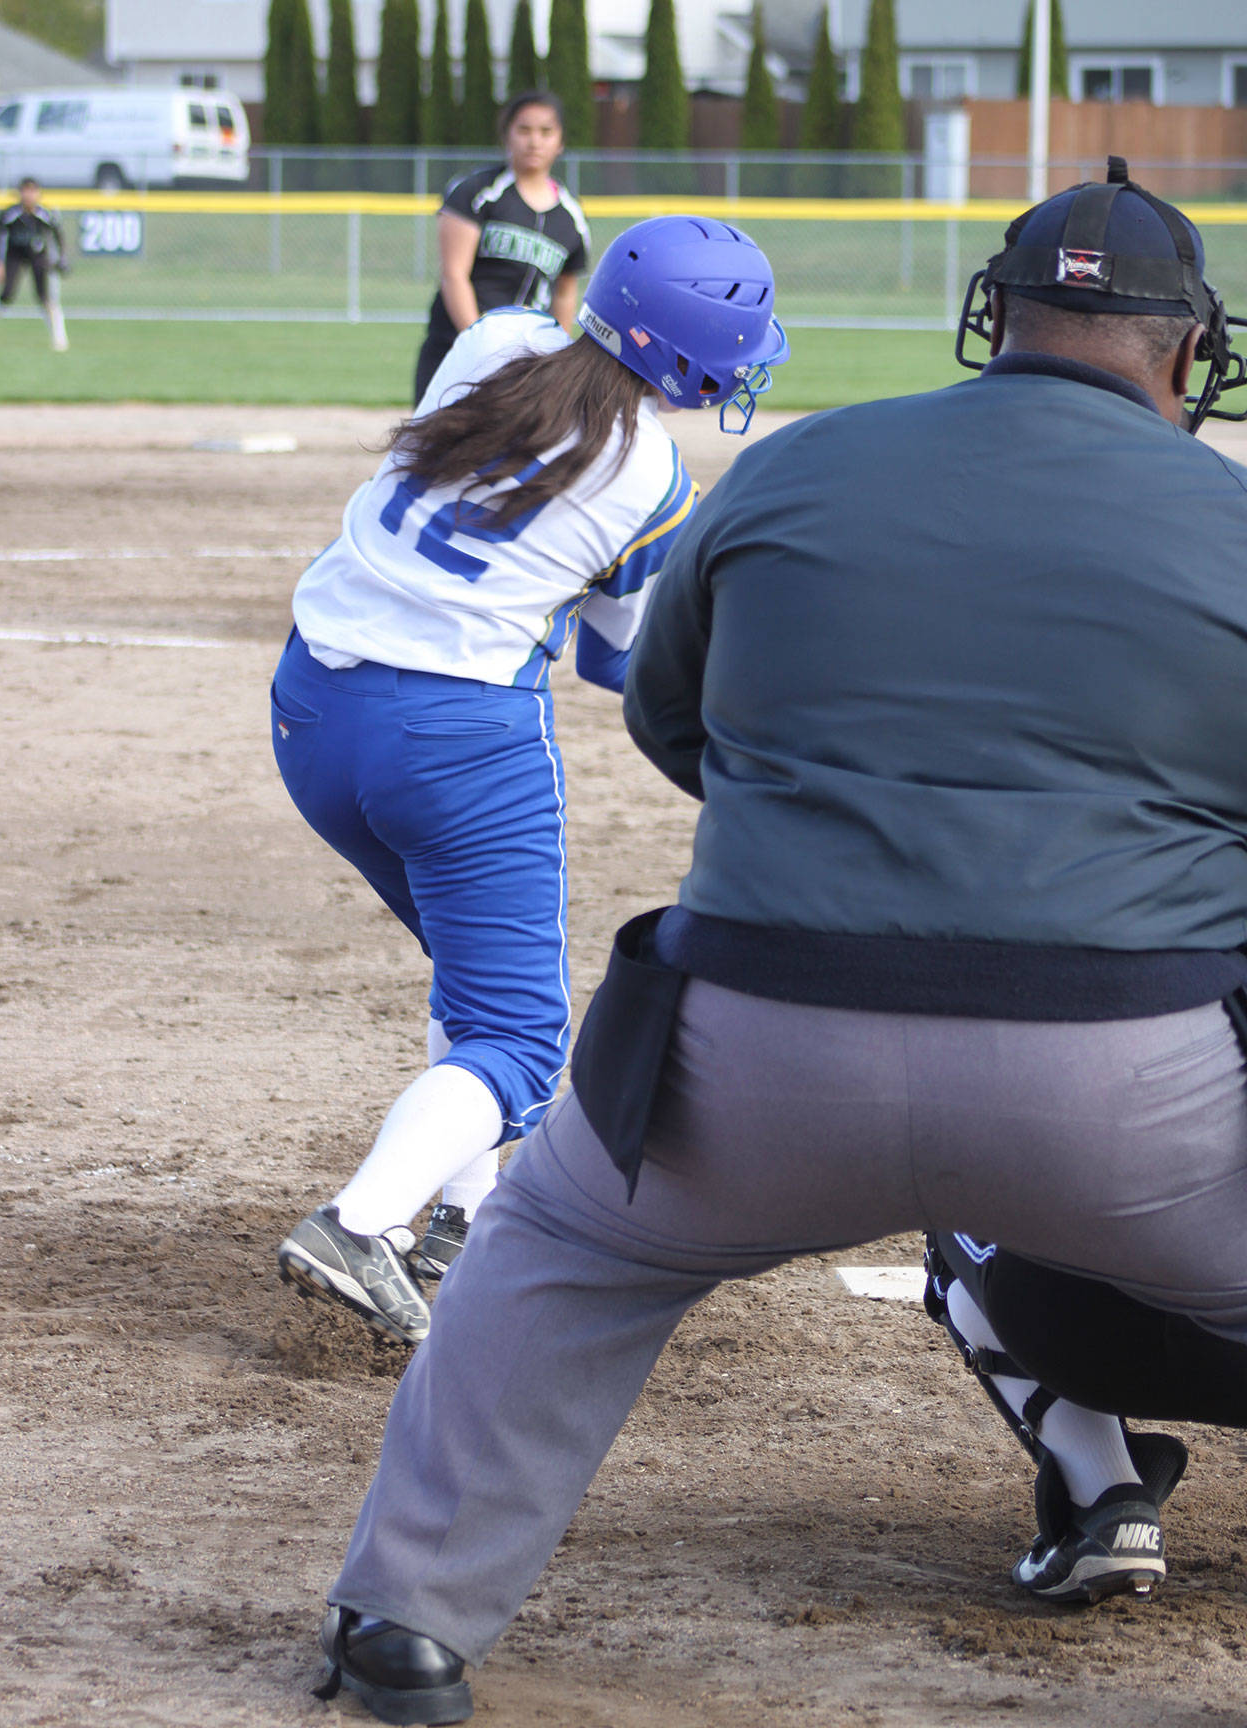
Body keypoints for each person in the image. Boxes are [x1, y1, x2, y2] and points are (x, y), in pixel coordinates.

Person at [306, 158, 1247, 1728]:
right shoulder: (1228, 511)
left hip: (758, 1054)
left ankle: (403, 1621)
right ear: (1183, 353)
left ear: (990, 320)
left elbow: (677, 722)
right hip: (1121, 1101)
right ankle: (1100, 1471)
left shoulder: (802, 467)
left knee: (551, 1250)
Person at [272, 214, 788, 1353]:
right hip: (455, 737)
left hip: (311, 708)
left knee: (472, 983)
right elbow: (615, 659)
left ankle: (466, 1216)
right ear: (694, 356)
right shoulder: (652, 474)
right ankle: (361, 1225)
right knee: (519, 1037)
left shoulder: (495, 338)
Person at [412, 91, 589, 405]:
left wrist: (557, 356)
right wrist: (479, 343)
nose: (534, 141)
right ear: (506, 136)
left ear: (560, 142)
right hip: (457, 347)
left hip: (524, 362)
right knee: (438, 449)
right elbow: (454, 274)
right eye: (523, 130)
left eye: (546, 131)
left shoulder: (571, 218)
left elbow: (564, 293)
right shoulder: (477, 192)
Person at [0, 176, 68, 352]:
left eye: (33, 191)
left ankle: (59, 336)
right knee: (7, 293)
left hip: (38, 256)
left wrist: (61, 258)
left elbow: (58, 235)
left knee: (45, 296)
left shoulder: (44, 214)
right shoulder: (11, 214)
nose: (29, 195)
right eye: (26, 191)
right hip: (15, 255)